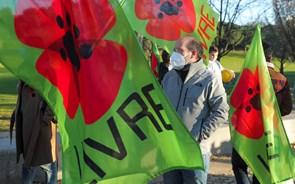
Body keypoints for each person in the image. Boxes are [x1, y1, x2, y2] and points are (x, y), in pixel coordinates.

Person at [161, 35, 229, 184]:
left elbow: (221, 111)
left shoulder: (209, 79)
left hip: (196, 152)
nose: (174, 54)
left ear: (193, 54)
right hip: (171, 151)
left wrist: (199, 135)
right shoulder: (169, 77)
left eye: (179, 50)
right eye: (174, 50)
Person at [231, 41, 293, 184]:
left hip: (245, 129)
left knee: (240, 166)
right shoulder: (281, 79)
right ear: (270, 57)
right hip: (269, 131)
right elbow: (287, 108)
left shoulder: (246, 77)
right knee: (263, 168)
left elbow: (235, 102)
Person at [11, 81, 58, 184]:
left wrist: (45, 119)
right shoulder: (25, 76)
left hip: (43, 129)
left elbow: (56, 99)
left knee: (49, 165)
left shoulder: (44, 76)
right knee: (30, 164)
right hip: (29, 126)